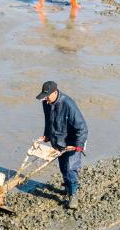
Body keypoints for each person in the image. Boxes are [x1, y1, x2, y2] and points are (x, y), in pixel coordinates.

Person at [36, 80, 88, 210]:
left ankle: (73, 195)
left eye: (47, 95)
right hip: (58, 142)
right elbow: (48, 121)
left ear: (55, 92)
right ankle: (68, 187)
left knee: (70, 168)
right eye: (44, 96)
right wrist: (47, 135)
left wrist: (78, 145)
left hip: (72, 142)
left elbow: (82, 128)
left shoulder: (68, 105)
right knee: (63, 168)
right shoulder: (46, 103)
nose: (46, 99)